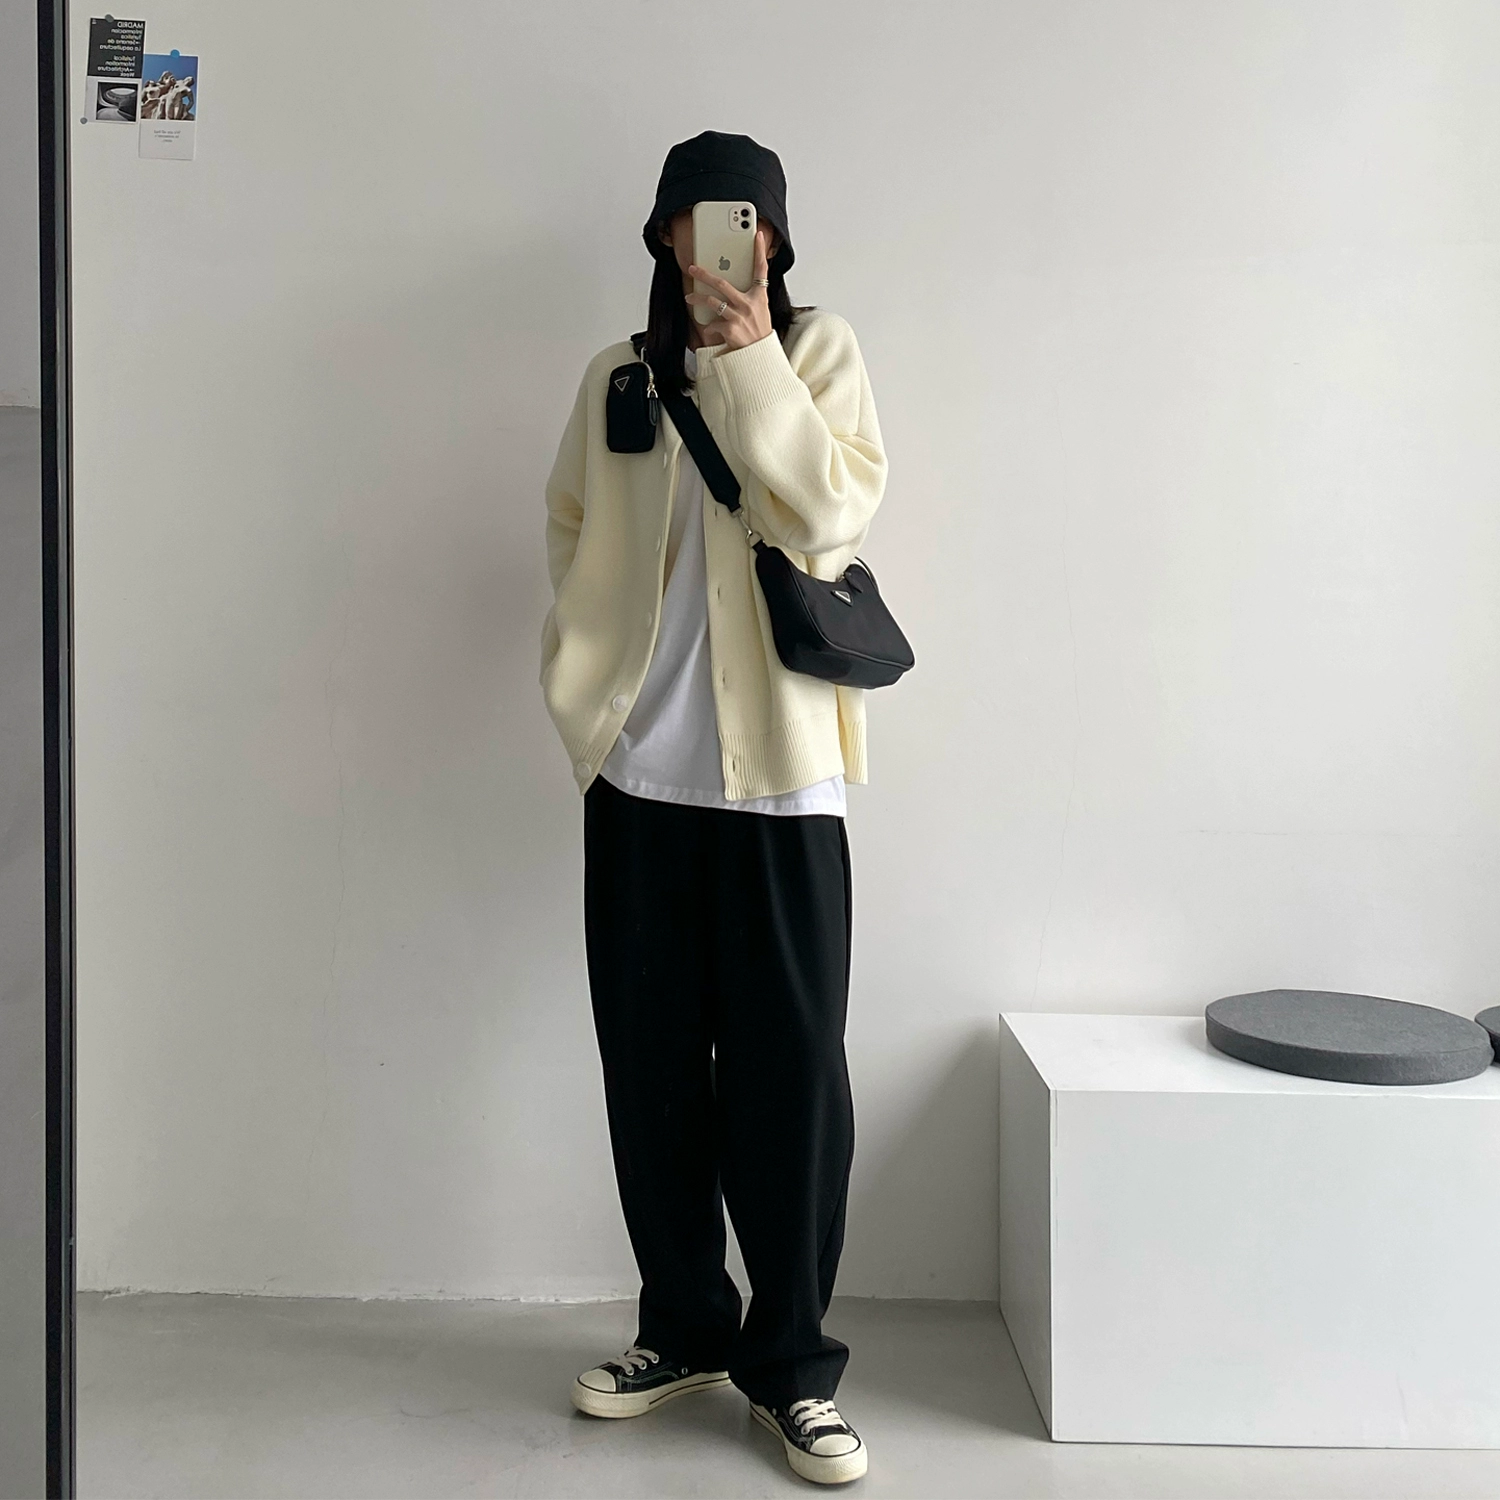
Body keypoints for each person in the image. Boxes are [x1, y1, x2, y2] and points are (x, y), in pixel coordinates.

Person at [539, 130, 888, 1486]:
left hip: (783, 785)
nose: (722, 246)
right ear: (664, 239)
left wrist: (748, 365)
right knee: (650, 1070)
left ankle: (791, 1367)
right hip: (639, 779)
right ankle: (683, 1326)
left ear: (775, 241)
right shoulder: (617, 377)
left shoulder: (818, 353)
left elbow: (832, 515)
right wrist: (586, 682)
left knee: (794, 1079)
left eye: (745, 224)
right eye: (694, 223)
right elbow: (570, 523)